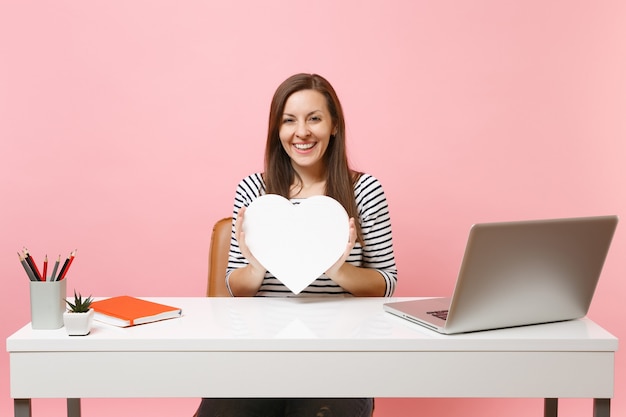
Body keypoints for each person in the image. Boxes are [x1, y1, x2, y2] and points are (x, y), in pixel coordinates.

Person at [196, 73, 397, 417]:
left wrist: (338, 269)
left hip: (338, 358)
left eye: (314, 119)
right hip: (260, 355)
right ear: (277, 130)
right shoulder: (253, 191)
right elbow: (234, 286)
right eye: (289, 120)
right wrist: (256, 268)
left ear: (334, 125)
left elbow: (386, 283)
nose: (301, 132)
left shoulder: (364, 191)